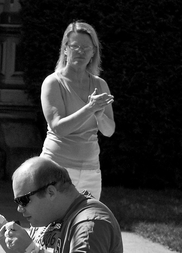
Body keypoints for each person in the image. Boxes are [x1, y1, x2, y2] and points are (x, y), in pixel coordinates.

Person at [40, 20, 115, 199]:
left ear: (93, 52)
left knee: (88, 226)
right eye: (75, 46)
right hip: (56, 169)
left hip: (91, 172)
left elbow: (109, 130)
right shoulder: (53, 82)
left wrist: (99, 115)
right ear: (65, 49)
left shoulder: (100, 84)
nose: (80, 51)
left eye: (86, 47)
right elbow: (59, 127)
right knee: (53, 226)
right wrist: (90, 108)